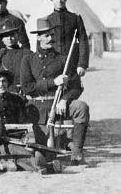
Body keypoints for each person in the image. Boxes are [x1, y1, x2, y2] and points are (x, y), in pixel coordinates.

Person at [20, 18, 90, 165]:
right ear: (38, 37)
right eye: (46, 35)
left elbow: (77, 87)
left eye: (52, 35)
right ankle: (60, 146)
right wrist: (53, 82)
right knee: (45, 152)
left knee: (81, 107)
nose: (50, 38)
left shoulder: (64, 59)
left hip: (59, 105)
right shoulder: (28, 60)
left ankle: (76, 152)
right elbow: (27, 87)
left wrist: (65, 99)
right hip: (37, 110)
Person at [0, 68, 58, 174]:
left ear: (8, 83)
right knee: (16, 151)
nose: (1, 84)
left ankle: (41, 164)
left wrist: (27, 137)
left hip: (17, 137)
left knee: (29, 149)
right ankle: (45, 167)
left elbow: (24, 121)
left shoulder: (17, 100)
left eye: (4, 81)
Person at [43, 0, 89, 77]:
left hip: (71, 64)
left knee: (73, 91)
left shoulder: (75, 18)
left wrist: (82, 64)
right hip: (52, 65)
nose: (59, 1)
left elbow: (83, 41)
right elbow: (41, 44)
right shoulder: (46, 20)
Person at [0, 23, 32, 93]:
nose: (9, 38)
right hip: (6, 93)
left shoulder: (28, 53)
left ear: (17, 36)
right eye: (6, 36)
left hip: (26, 91)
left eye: (12, 35)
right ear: (2, 39)